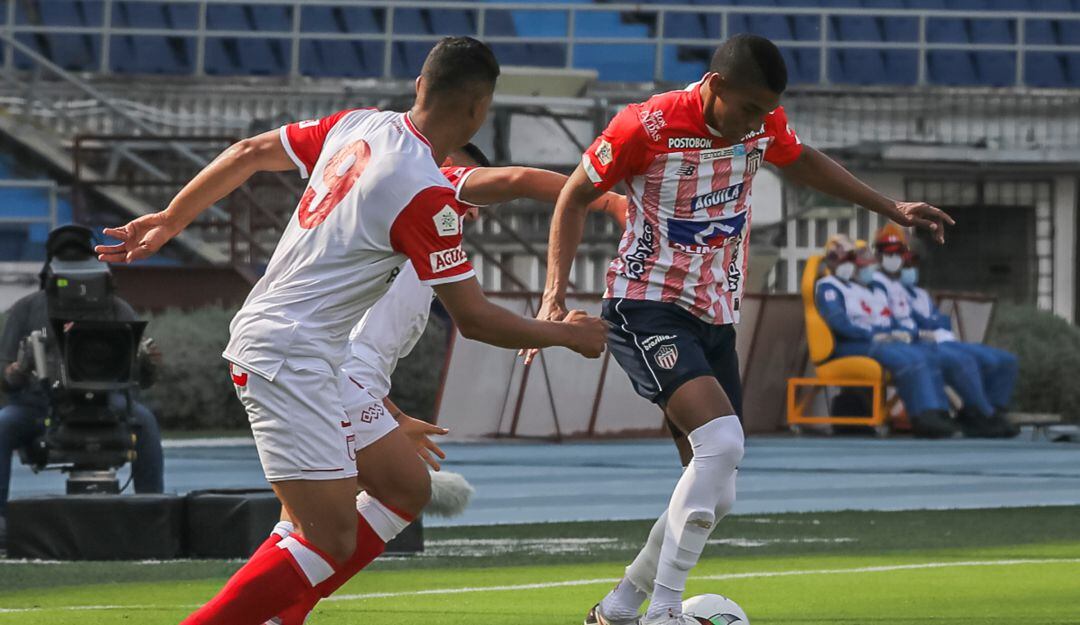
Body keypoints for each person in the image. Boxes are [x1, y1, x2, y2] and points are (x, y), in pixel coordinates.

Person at [96, 37, 607, 625]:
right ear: (478, 110)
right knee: (330, 536)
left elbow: (251, 149)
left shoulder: (359, 124)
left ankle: (277, 613)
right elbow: (475, 319)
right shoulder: (427, 194)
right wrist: (568, 335)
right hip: (288, 356)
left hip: (310, 354)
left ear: (420, 84)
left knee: (405, 488)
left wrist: (171, 217)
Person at [527, 34, 955, 625]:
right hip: (644, 303)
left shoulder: (760, 121)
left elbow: (800, 159)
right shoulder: (643, 127)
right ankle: (664, 613)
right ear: (716, 84)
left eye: (767, 111)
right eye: (752, 109)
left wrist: (890, 208)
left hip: (715, 314)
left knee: (715, 486)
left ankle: (621, 605)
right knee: (722, 445)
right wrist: (553, 299)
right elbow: (573, 197)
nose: (760, 122)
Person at [258, 145, 625, 625]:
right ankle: (271, 613)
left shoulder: (409, 228)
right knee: (398, 496)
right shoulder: (422, 187)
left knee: (307, 523)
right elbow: (519, 181)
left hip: (325, 376)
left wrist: (388, 413)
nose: (474, 208)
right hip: (320, 377)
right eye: (472, 180)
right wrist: (610, 202)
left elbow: (354, 343)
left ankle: (274, 614)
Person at [0, 225, 164, 547]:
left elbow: (141, 375)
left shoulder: (116, 308)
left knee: (145, 422)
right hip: (39, 403)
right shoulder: (28, 309)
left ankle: (153, 514)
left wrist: (147, 363)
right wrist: (20, 369)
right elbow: (6, 375)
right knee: (2, 426)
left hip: (109, 401)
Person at [870, 226, 1004, 438]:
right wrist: (912, 332)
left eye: (901, 255)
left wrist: (918, 331)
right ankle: (929, 413)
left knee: (961, 358)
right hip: (889, 340)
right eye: (889, 253)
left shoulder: (901, 287)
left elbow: (931, 320)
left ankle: (971, 411)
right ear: (878, 255)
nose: (898, 260)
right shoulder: (876, 284)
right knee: (925, 359)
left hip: (911, 338)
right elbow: (883, 321)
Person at [817, 236, 955, 438]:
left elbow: (886, 319)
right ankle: (922, 415)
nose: (848, 265)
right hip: (851, 344)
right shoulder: (828, 287)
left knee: (921, 355)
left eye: (850, 260)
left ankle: (936, 411)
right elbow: (839, 323)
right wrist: (873, 335)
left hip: (875, 340)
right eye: (841, 260)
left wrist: (904, 333)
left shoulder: (862, 288)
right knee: (905, 360)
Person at [902, 251, 1019, 438]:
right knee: (962, 361)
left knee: (1006, 360)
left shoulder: (920, 293)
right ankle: (982, 412)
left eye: (913, 265)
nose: (911, 269)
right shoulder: (890, 289)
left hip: (942, 340)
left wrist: (937, 330)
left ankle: (992, 411)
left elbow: (938, 321)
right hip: (919, 342)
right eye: (906, 265)